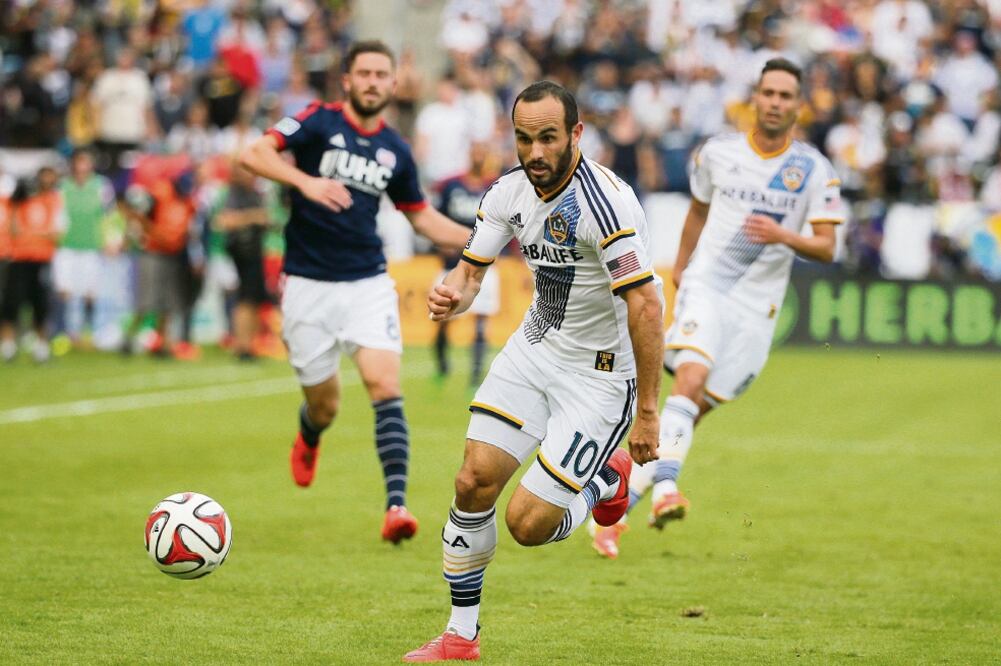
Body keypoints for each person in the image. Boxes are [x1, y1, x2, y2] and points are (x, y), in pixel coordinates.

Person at [404, 81, 664, 662]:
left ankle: (607, 481)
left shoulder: (607, 205)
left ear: (576, 133)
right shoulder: (507, 192)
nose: (536, 152)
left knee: (527, 523)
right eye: (524, 138)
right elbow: (471, 274)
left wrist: (647, 412)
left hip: (598, 376)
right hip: (534, 350)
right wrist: (453, 294)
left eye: (548, 137)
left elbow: (646, 305)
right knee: (472, 481)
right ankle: (460, 636)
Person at [591, 58, 844, 559]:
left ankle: (609, 509)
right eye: (767, 92)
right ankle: (665, 491)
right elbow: (698, 211)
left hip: (759, 310)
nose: (774, 102)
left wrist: (783, 235)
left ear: (798, 105)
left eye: (784, 95)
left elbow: (827, 246)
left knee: (687, 415)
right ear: (755, 98)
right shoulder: (718, 154)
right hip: (708, 284)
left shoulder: (814, 171)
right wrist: (682, 266)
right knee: (687, 380)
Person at [240, 40, 471, 543]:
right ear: (347, 80)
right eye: (362, 73)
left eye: (380, 74)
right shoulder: (317, 122)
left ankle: (396, 507)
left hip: (367, 281)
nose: (371, 81)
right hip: (307, 285)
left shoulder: (395, 149)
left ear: (393, 83)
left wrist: (489, 238)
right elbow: (252, 153)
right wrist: (304, 183)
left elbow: (423, 219)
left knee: (385, 386)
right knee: (325, 406)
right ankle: (310, 433)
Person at [432, 142, 501, 387]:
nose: (479, 156)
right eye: (475, 151)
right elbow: (435, 217)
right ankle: (441, 364)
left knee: (481, 322)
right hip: (451, 263)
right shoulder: (451, 186)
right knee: (441, 317)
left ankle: (475, 373)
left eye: (483, 152)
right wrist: (441, 243)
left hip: (484, 265)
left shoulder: (494, 187)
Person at [0, 168, 66, 363]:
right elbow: (12, 231)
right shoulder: (19, 203)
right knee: (11, 302)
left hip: (41, 259)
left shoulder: (52, 201)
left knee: (41, 304)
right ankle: (8, 344)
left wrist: (30, 234)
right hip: (19, 258)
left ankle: (41, 345)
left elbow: (56, 233)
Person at [54, 149, 115, 345]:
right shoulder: (62, 186)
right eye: (78, 162)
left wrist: (112, 240)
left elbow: (110, 215)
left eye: (85, 162)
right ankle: (64, 332)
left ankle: (87, 332)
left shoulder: (101, 186)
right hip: (66, 245)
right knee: (64, 290)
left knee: (90, 292)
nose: (81, 167)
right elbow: (56, 214)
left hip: (91, 245)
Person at [215, 161, 271, 360]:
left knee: (254, 299)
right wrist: (254, 217)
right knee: (245, 299)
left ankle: (250, 344)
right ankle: (242, 345)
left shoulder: (253, 192)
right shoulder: (235, 192)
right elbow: (223, 221)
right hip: (242, 252)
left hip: (254, 250)